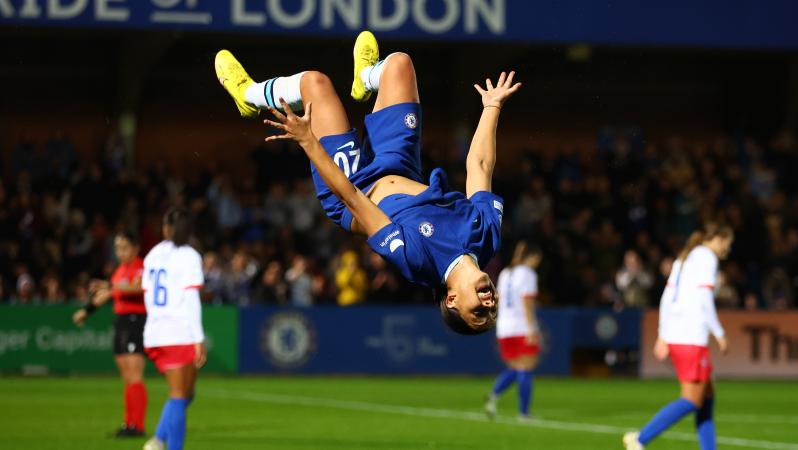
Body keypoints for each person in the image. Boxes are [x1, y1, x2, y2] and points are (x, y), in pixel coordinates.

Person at [215, 31, 521, 334]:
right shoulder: (488, 237)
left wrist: (309, 142)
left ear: (452, 300)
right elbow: (479, 166)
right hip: (399, 166)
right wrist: (492, 106)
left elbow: (354, 200)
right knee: (399, 64)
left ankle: (248, 96)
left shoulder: (418, 262)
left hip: (352, 186)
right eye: (493, 307)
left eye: (479, 311)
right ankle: (365, 76)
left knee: (314, 83)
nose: (489, 302)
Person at [623, 223, 733, 450]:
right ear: (718, 239)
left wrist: (662, 334)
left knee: (707, 396)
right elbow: (704, 299)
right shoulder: (707, 258)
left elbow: (667, 297)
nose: (727, 250)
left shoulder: (683, 259)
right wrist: (719, 333)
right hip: (691, 336)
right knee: (692, 399)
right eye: (727, 244)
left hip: (677, 334)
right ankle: (640, 439)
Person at [142, 207, 207, 450]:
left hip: (156, 331)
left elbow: (148, 295)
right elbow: (190, 299)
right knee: (180, 395)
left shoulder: (153, 254)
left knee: (185, 393)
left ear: (167, 228)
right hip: (178, 332)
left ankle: (157, 440)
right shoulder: (189, 256)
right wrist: (198, 338)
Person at [72, 230, 148, 437]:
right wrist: (86, 311)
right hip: (122, 322)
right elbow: (108, 293)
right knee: (127, 376)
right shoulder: (120, 270)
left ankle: (137, 425)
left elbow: (139, 288)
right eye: (117, 247)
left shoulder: (141, 267)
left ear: (135, 248)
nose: (120, 252)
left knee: (135, 375)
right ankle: (129, 423)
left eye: (124, 247)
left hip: (136, 321)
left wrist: (110, 285)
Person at [484, 241, 542, 420]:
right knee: (526, 368)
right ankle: (524, 413)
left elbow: (498, 299)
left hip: (504, 328)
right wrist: (532, 327)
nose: (537, 263)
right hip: (521, 326)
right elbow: (527, 301)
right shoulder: (528, 274)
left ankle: (493, 394)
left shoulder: (505, 273)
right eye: (536, 259)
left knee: (517, 368)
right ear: (530, 257)